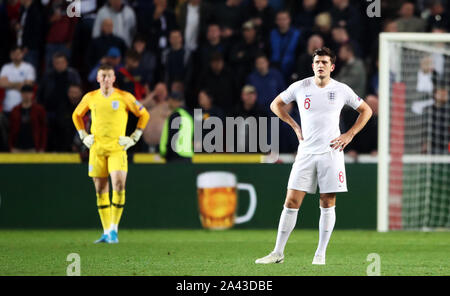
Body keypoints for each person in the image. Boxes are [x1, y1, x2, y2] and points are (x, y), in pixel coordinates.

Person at [255, 47, 372, 265]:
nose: (320, 65)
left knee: (327, 202)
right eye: (317, 62)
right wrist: (294, 125)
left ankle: (320, 254)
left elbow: (366, 110)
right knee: (291, 201)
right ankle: (277, 252)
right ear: (312, 66)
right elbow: (275, 105)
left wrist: (349, 134)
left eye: (325, 62)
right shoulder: (301, 86)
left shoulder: (341, 89)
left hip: (331, 152)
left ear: (332, 67)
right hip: (306, 152)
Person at [72, 64, 150, 244]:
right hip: (97, 149)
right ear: (98, 78)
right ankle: (106, 231)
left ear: (114, 78)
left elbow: (144, 114)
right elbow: (76, 115)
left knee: (119, 185)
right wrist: (83, 135)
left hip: (117, 148)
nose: (106, 79)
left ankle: (114, 228)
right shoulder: (90, 97)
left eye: (109, 76)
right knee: (100, 190)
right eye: (103, 76)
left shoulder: (124, 97)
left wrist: (135, 136)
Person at [8, 84, 47, 152]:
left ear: (32, 94)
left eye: (29, 93)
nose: (26, 95)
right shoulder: (15, 110)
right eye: (24, 93)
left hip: (33, 147)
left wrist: (42, 147)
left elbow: (43, 129)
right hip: (17, 147)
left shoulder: (39, 110)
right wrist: (11, 146)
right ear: (21, 94)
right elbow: (10, 129)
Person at [159, 91, 194, 162]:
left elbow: (172, 137)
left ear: (175, 101)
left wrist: (168, 155)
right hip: (187, 155)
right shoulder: (188, 116)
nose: (168, 102)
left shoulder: (175, 115)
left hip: (175, 156)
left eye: (169, 100)